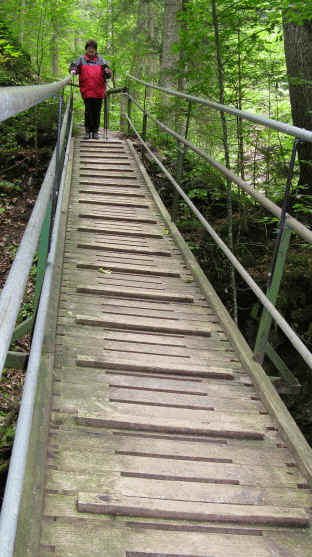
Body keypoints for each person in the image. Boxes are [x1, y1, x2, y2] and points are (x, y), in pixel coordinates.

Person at [69, 40, 112, 140]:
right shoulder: (81, 59)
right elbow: (73, 66)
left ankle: (95, 132)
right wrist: (73, 70)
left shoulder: (101, 60)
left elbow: (108, 72)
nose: (91, 51)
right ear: (86, 49)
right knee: (88, 111)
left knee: (97, 111)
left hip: (99, 90)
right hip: (87, 90)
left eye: (93, 49)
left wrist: (107, 73)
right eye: (89, 49)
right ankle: (88, 131)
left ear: (96, 50)